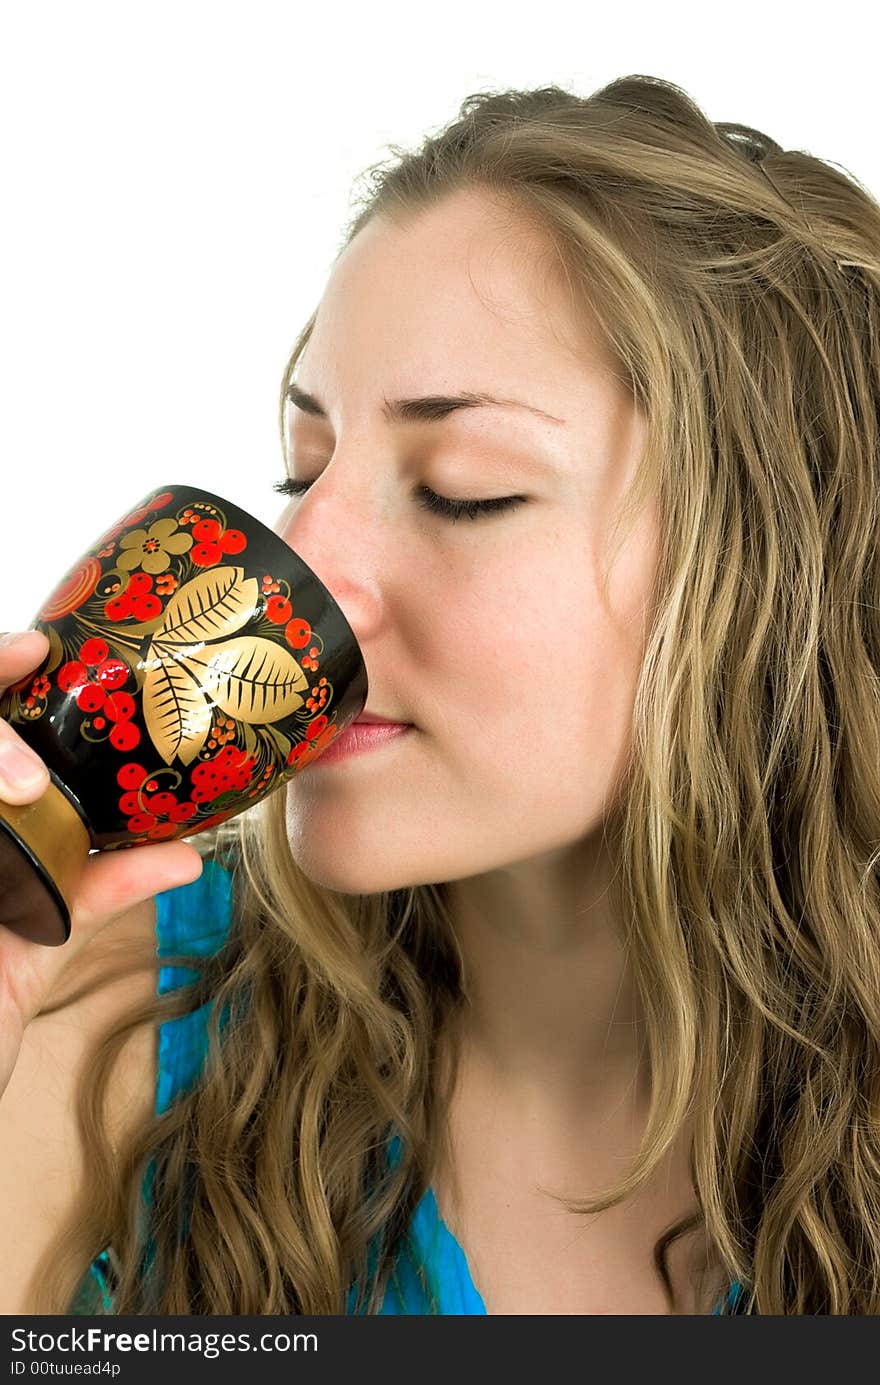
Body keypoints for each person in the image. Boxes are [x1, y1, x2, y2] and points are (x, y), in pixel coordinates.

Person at [2, 73, 879, 1317]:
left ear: (767, 582)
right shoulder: (99, 1014)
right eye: (303, 469)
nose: (307, 566)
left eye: (464, 488)